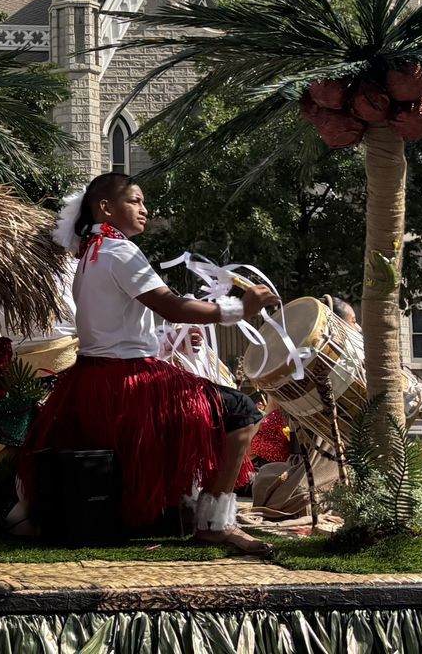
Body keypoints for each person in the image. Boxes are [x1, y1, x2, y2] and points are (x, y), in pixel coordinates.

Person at [21, 173, 279, 554]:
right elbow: (170, 305)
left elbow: (123, 324)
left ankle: (188, 514)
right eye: (136, 201)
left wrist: (167, 339)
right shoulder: (120, 251)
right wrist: (238, 309)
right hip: (128, 381)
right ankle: (214, 524)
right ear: (106, 207)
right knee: (241, 412)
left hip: (91, 381)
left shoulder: (91, 255)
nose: (145, 209)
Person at [249, 297, 422, 521]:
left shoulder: (303, 386)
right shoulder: (324, 386)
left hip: (307, 482)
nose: (360, 329)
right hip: (323, 482)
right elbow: (378, 449)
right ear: (333, 331)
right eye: (353, 322)